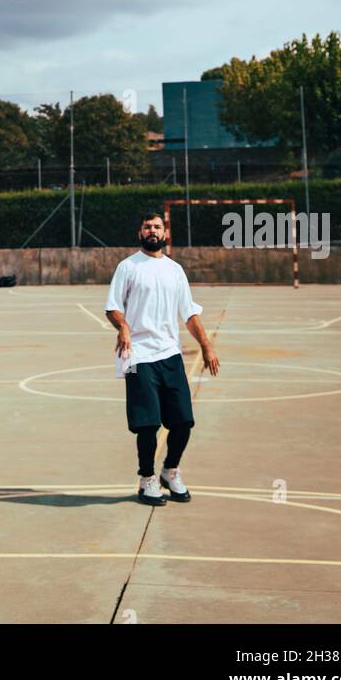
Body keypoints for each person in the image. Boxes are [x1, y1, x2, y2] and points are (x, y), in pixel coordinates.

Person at [105, 212, 219, 506]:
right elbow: (112, 308)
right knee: (147, 424)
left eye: (157, 227)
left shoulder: (175, 270)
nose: (152, 231)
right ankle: (147, 480)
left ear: (165, 232)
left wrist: (206, 345)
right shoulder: (127, 267)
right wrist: (124, 327)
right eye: (147, 227)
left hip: (169, 353)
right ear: (139, 232)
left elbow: (189, 313)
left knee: (183, 421)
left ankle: (170, 470)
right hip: (137, 354)